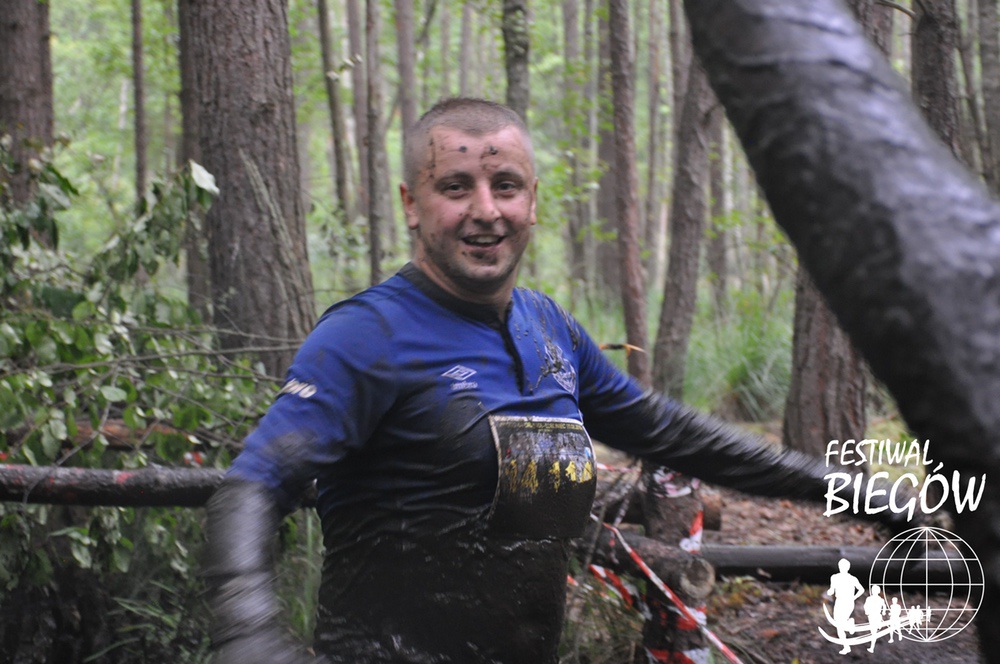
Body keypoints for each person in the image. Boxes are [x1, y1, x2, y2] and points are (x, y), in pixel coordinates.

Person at [203, 98, 893, 664]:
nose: (485, 210)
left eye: (505, 186)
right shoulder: (366, 335)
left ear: (532, 201)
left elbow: (671, 432)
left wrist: (841, 488)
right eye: (455, 187)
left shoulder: (549, 328)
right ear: (412, 203)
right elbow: (253, 486)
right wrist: (249, 633)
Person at [827, 558, 865, 654]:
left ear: (848, 567)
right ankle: (846, 646)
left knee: (840, 624)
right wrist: (829, 592)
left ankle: (849, 623)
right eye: (841, 566)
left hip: (847, 601)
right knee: (838, 625)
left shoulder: (852, 579)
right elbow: (832, 590)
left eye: (844, 566)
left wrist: (854, 597)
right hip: (839, 601)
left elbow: (861, 590)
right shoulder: (834, 577)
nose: (842, 568)